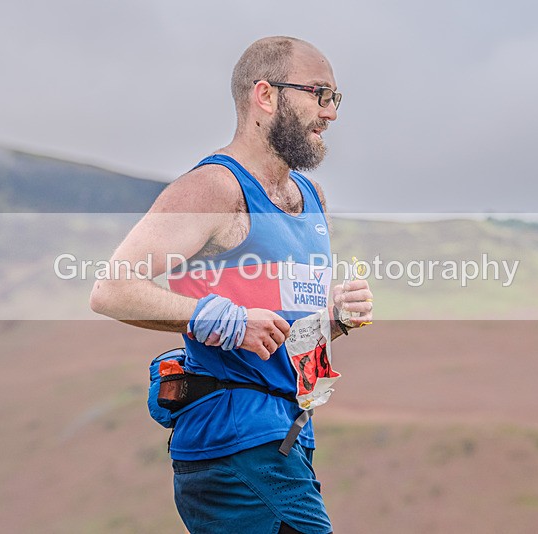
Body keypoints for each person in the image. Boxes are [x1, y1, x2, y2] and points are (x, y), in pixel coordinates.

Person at [90, 35, 373, 534]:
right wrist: (219, 319)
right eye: (319, 94)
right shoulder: (214, 187)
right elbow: (111, 289)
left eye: (336, 98)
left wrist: (335, 319)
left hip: (287, 438)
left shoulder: (310, 197)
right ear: (265, 95)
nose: (331, 113)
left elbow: (288, 328)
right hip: (233, 438)